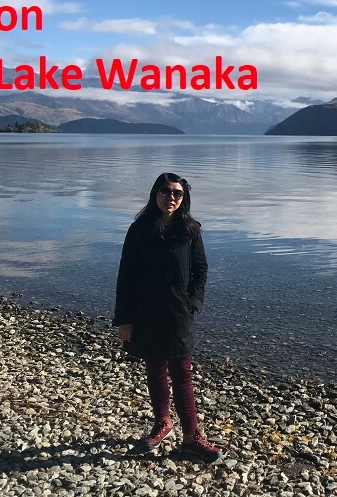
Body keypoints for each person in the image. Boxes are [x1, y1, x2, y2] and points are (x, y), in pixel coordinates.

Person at [113, 172, 221, 463]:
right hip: (145, 312)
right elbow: (126, 276)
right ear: (155, 194)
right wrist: (124, 319)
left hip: (179, 313)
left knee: (182, 373)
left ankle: (192, 436)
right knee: (155, 368)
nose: (170, 197)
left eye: (177, 193)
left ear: (184, 198)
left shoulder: (190, 230)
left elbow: (201, 269)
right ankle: (163, 422)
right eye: (165, 191)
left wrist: (194, 302)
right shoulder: (139, 229)